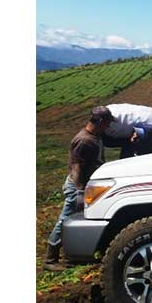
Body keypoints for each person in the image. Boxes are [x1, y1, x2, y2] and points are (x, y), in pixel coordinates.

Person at [44, 106, 114, 270]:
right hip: (77, 186)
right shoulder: (84, 141)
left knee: (75, 219)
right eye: (107, 123)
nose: (108, 127)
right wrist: (80, 192)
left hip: (85, 185)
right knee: (66, 219)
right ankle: (50, 259)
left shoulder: (95, 136)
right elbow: (76, 168)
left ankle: (74, 253)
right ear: (100, 122)